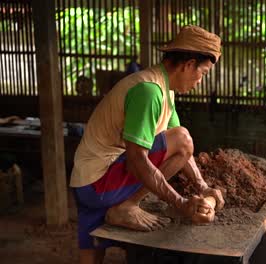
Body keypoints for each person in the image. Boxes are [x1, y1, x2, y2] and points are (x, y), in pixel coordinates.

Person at [70, 25, 225, 264]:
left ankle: (123, 206)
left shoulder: (163, 88)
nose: (199, 81)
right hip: (98, 183)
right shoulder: (149, 91)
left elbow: (184, 152)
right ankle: (128, 205)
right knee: (181, 137)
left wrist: (202, 187)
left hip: (89, 179)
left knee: (91, 249)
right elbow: (140, 158)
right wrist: (180, 202)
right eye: (202, 73)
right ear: (188, 64)